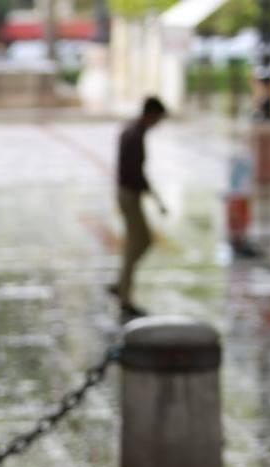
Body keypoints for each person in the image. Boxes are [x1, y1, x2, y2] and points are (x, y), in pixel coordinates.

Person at [109, 96, 168, 319]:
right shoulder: (134, 134)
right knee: (138, 243)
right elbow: (135, 172)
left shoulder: (134, 131)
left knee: (137, 243)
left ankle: (121, 285)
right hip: (128, 194)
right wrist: (155, 198)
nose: (159, 123)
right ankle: (124, 296)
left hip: (128, 192)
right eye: (159, 118)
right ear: (151, 114)